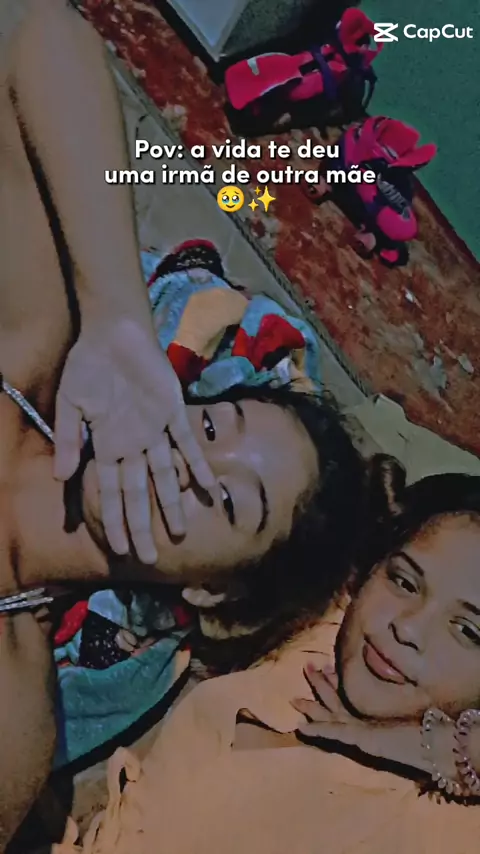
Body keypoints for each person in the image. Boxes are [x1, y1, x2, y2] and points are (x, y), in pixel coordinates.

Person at [0, 2, 364, 846]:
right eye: (211, 428)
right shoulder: (33, 345)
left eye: (231, 501)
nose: (189, 467)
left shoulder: (18, 710)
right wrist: (118, 317)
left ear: (210, 591)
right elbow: (36, 33)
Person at [60, 457, 480, 854]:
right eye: (405, 582)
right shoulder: (331, 633)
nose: (407, 627)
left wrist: (456, 751)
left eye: (467, 631)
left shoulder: (440, 826)